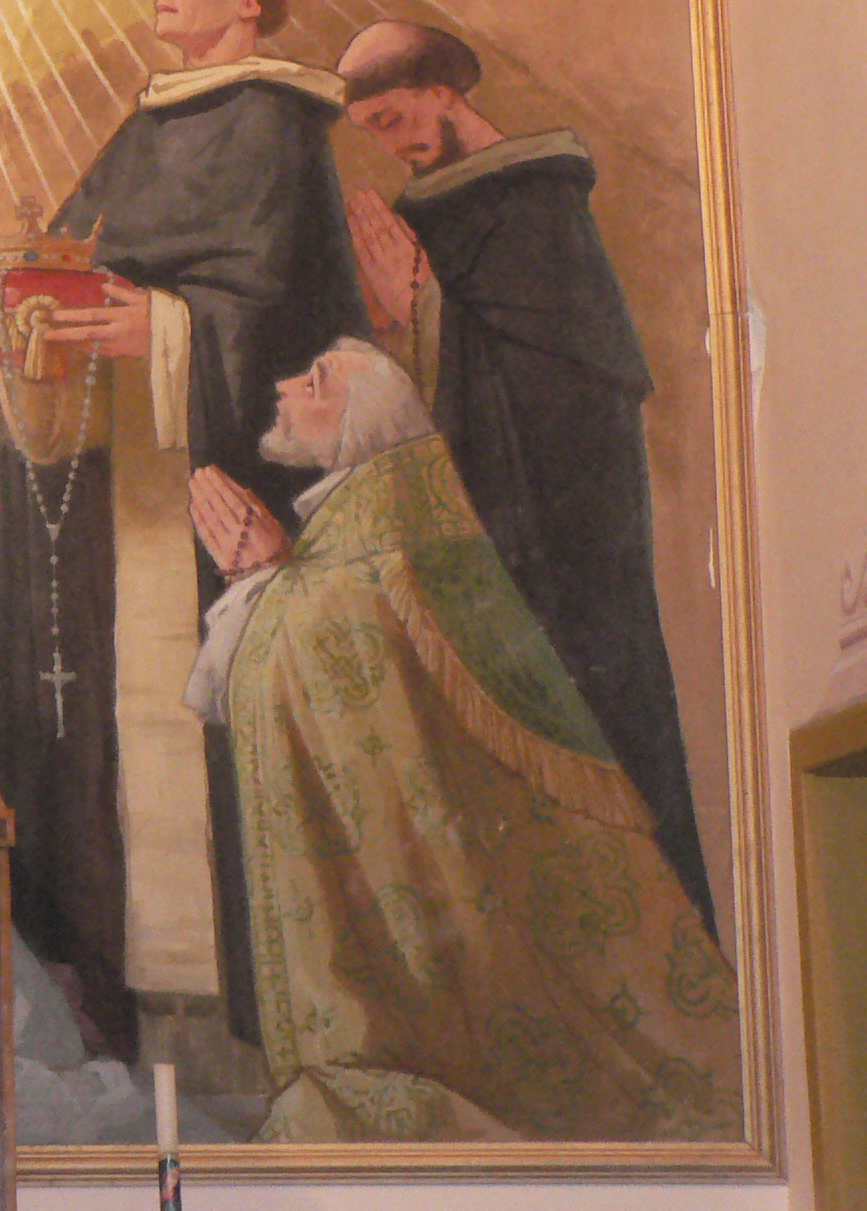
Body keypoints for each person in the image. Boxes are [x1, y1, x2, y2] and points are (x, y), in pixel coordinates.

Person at [0, 0, 367, 1060]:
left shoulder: (277, 125)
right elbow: (75, 267)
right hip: (125, 498)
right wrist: (32, 328)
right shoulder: (141, 133)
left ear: (248, 1)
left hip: (216, 476)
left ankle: (239, 1015)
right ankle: (123, 995)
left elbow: (292, 316)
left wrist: (170, 329)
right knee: (122, 732)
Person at [182, 341, 742, 1143]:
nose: (286, 385)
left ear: (358, 427)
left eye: (315, 382)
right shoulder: (372, 530)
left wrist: (266, 577)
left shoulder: (389, 546)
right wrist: (272, 582)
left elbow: (337, 639)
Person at [337, 20, 712, 931]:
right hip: (485, 520)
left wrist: (426, 307)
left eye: (395, 118)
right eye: (373, 131)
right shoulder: (435, 212)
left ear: (442, 91)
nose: (392, 144)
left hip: (570, 527)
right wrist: (405, 325)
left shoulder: (535, 200)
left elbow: (571, 385)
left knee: (591, 699)